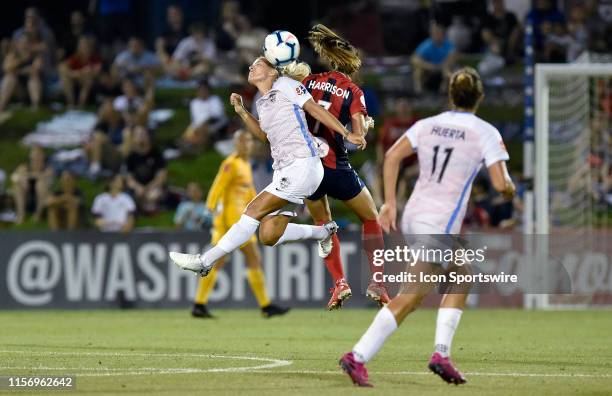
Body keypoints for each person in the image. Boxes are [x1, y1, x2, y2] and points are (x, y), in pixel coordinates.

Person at [338, 68, 515, 387]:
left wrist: (389, 202)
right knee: (411, 297)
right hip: (439, 220)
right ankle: (358, 356)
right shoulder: (484, 131)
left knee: (464, 273)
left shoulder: (427, 124)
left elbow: (391, 157)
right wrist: (510, 189)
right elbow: (501, 184)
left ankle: (441, 354)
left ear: (449, 95)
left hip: (415, 212)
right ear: (481, 97)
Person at [169, 56, 366, 279]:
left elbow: (315, 110)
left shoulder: (286, 85)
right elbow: (264, 136)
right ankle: (324, 231)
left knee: (252, 212)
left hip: (302, 165)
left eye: (258, 64)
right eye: (252, 64)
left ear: (273, 72)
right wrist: (242, 112)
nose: (251, 67)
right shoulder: (262, 102)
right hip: (285, 169)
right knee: (268, 235)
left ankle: (204, 261)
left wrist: (347, 133)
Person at [284, 24, 390, 309]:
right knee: (371, 219)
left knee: (323, 225)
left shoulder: (307, 83)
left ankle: (339, 283)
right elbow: (359, 133)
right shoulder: (353, 90)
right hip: (336, 165)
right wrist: (364, 126)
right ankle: (377, 281)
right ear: (351, 66)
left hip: (307, 169)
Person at [190, 130, 289, 318]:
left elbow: (251, 194)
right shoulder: (231, 163)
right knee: (253, 259)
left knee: (217, 262)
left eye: (249, 141)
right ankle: (266, 306)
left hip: (238, 221)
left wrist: (266, 211)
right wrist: (208, 210)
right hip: (231, 222)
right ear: (236, 144)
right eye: (242, 141)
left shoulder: (245, 165)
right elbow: (218, 186)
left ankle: (199, 304)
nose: (246, 145)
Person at [125, 127, 167, 213]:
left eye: (143, 135)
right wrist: (138, 187)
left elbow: (161, 176)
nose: (140, 137)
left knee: (154, 194)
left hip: (153, 187)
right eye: (138, 135)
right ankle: (143, 209)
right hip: (138, 188)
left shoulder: (156, 154)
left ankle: (150, 208)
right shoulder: (131, 156)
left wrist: (149, 188)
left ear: (148, 137)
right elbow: (129, 178)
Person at [11, 145, 53, 224]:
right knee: (19, 185)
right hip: (27, 197)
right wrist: (24, 178)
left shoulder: (47, 168)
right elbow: (14, 177)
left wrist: (28, 175)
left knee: (40, 184)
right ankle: (21, 214)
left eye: (39, 155)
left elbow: (45, 177)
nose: (36, 158)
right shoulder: (24, 167)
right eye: (35, 156)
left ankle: (37, 214)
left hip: (41, 198)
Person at [411, 21, 456, 94]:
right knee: (418, 71)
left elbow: (452, 56)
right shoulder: (426, 45)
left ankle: (443, 92)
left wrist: (444, 65)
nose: (437, 35)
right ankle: (419, 93)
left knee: (448, 71)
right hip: (430, 68)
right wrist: (428, 65)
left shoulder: (448, 44)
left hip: (443, 67)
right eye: (435, 33)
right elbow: (415, 59)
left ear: (443, 34)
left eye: (439, 33)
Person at [180, 79, 227, 149]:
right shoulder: (194, 103)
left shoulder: (215, 99)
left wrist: (204, 123)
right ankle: (189, 145)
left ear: (209, 90)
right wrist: (197, 127)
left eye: (204, 90)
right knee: (187, 135)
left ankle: (195, 146)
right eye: (200, 90)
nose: (203, 92)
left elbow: (217, 115)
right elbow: (195, 119)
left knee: (203, 130)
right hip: (198, 126)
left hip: (214, 125)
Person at [59, 36, 102, 108]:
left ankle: (81, 104)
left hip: (90, 81)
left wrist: (83, 73)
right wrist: (80, 73)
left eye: (86, 45)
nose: (84, 48)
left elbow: (96, 72)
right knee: (65, 78)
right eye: (82, 46)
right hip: (77, 79)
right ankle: (71, 103)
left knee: (88, 78)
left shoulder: (95, 58)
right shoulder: (75, 58)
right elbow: (63, 69)